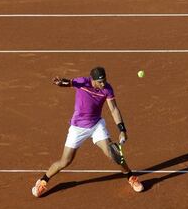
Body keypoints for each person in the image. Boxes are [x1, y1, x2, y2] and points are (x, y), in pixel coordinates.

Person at [31, 66, 143, 197]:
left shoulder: (107, 88)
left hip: (96, 125)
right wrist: (60, 82)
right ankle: (43, 180)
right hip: (77, 128)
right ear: (93, 80)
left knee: (113, 153)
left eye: (104, 80)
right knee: (65, 161)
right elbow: (68, 82)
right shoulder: (83, 82)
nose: (103, 84)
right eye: (100, 81)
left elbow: (113, 109)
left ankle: (131, 177)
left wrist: (122, 129)